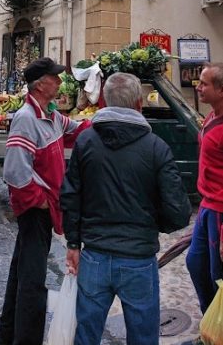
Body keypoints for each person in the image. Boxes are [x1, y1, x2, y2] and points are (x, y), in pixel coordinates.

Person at [60, 72, 192, 345]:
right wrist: (152, 224)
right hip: (138, 259)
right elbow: (178, 211)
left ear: (104, 101)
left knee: (86, 335)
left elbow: (70, 196)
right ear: (139, 104)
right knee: (143, 337)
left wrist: (73, 243)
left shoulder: (86, 142)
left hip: (95, 255)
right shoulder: (156, 147)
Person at [0, 57, 91, 345]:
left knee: (20, 273)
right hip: (36, 212)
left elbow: (76, 130)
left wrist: (104, 122)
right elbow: (14, 170)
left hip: (42, 210)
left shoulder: (49, 115)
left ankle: (7, 335)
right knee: (33, 281)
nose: (60, 82)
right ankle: (27, 339)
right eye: (55, 78)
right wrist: (40, 202)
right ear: (40, 84)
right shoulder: (27, 118)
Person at [181, 63, 223, 345]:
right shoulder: (211, 117)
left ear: (221, 90)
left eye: (204, 84)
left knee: (218, 275)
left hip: (220, 209)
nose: (198, 87)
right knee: (196, 263)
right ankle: (210, 328)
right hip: (207, 205)